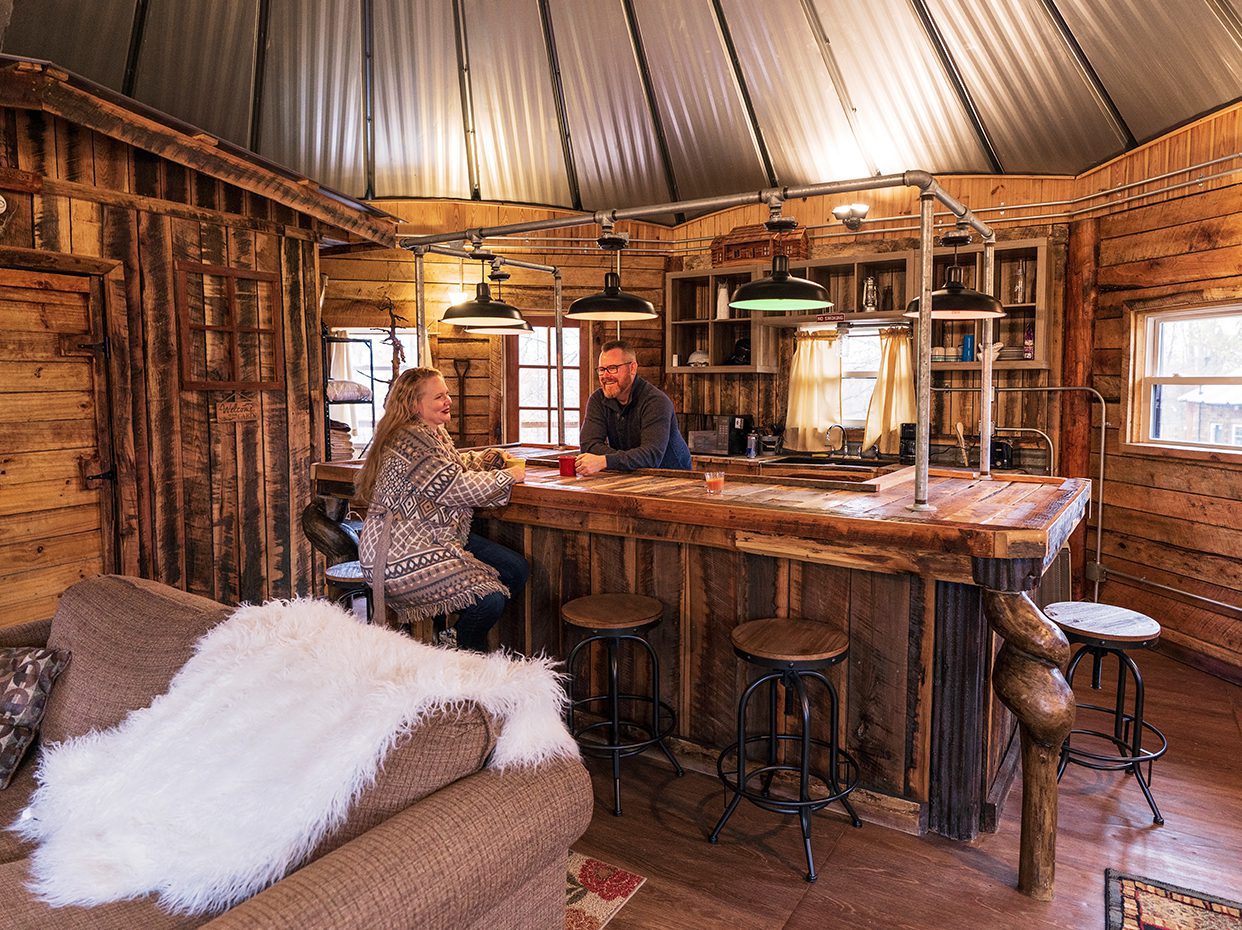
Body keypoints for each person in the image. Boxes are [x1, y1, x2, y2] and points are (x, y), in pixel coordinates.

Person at [356, 367, 529, 651]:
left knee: (515, 569)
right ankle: (456, 653)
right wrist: (509, 476)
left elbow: (452, 467)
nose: (448, 400)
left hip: (431, 535)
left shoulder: (431, 433)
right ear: (415, 405)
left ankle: (450, 633)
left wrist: (490, 458)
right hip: (396, 551)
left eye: (447, 393)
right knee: (489, 598)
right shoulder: (412, 440)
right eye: (439, 396)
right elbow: (454, 487)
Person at [576, 339, 691, 475]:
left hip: (673, 479)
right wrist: (628, 459)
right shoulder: (597, 399)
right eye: (601, 370)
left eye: (613, 368)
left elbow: (651, 456)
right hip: (629, 476)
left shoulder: (656, 402)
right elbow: (588, 446)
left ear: (632, 368)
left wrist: (605, 461)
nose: (605, 376)